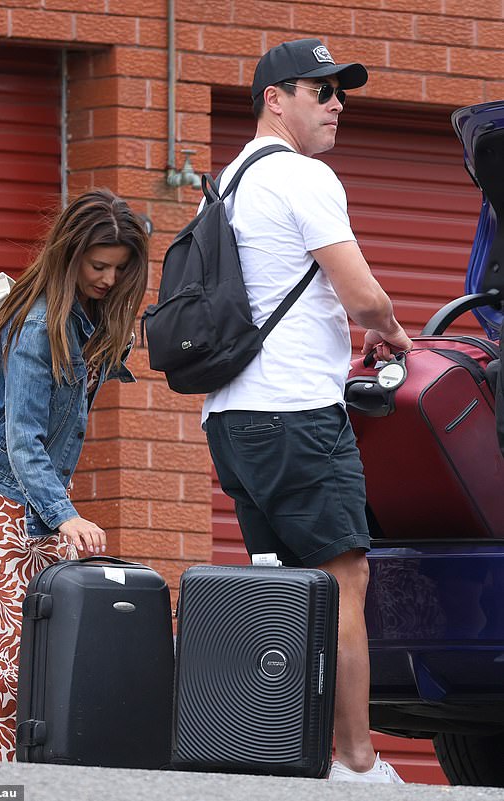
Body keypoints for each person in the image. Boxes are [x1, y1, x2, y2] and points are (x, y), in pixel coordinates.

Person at [202, 39, 413, 783]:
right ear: (273, 98)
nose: (335, 104)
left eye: (340, 92)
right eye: (319, 91)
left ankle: (276, 753)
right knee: (343, 579)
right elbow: (362, 295)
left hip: (231, 421)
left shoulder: (226, 182)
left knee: (282, 588)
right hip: (295, 415)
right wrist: (388, 328)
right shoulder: (304, 176)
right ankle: (356, 763)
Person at [0, 188, 148, 760]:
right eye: (97, 265)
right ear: (71, 254)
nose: (107, 278)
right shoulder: (37, 328)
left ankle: (46, 770)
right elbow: (21, 440)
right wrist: (67, 515)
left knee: (48, 640)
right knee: (2, 653)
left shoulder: (91, 320)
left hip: (36, 489)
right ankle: (3, 776)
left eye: (119, 269)